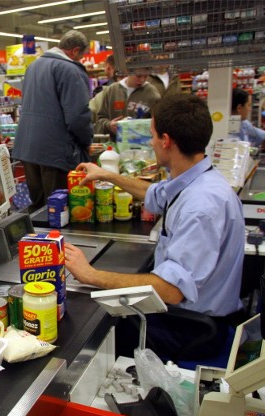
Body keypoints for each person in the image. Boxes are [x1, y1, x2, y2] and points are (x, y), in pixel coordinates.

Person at [65, 94, 245, 359]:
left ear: (166, 140)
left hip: (192, 329)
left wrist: (90, 275)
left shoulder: (201, 207)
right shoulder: (198, 179)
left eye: (152, 135)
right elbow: (157, 194)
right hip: (194, 316)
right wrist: (106, 174)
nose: (150, 142)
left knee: (95, 330)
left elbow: (171, 291)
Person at [12, 30, 93, 212]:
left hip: (28, 148)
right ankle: (58, 241)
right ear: (75, 50)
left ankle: (36, 241)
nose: (81, 60)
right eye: (81, 56)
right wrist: (86, 141)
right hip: (54, 151)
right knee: (58, 210)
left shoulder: (33, 67)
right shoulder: (70, 70)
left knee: (38, 208)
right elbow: (77, 116)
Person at [94, 67, 161, 141]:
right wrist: (109, 125)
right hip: (114, 146)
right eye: (138, 76)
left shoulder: (152, 93)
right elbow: (99, 120)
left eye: (145, 76)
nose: (142, 80)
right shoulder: (112, 90)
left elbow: (159, 123)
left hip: (142, 147)